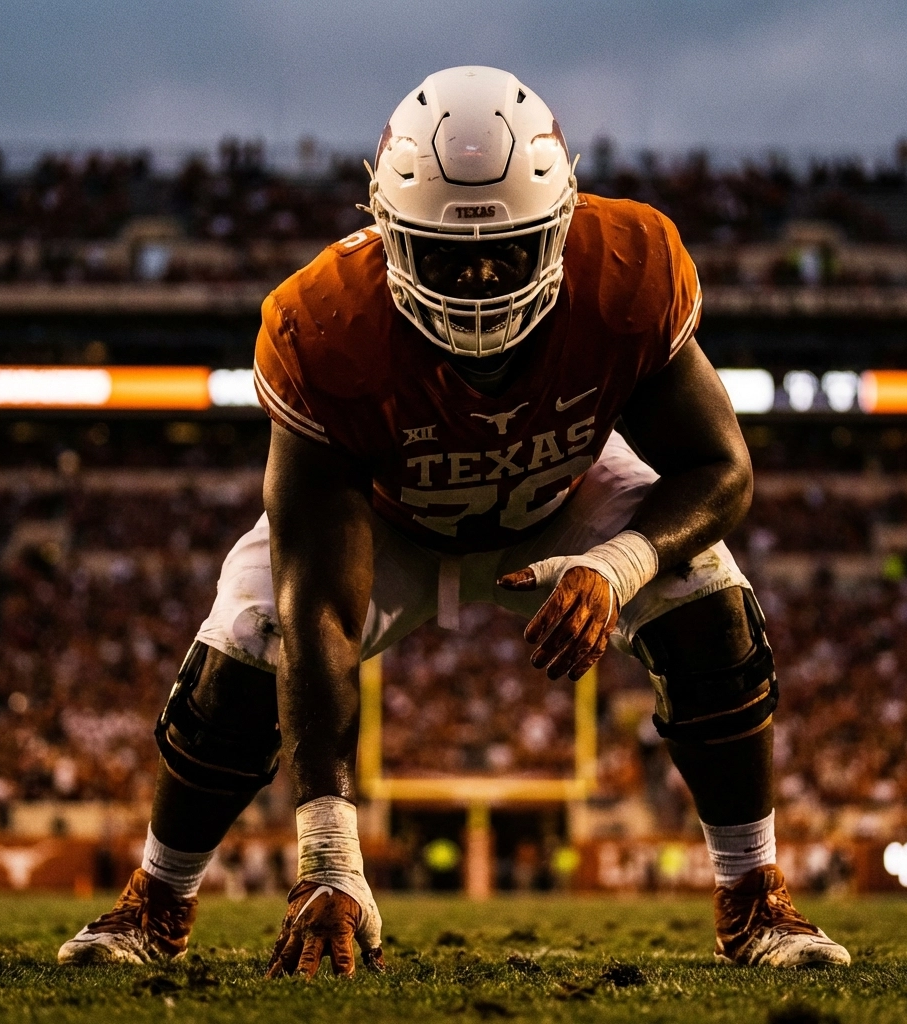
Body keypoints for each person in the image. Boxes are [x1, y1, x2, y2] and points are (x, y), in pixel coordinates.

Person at [58, 66, 849, 974]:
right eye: (445, 254)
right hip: (385, 516)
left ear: (561, 226)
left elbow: (721, 468)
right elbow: (320, 607)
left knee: (707, 593)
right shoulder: (326, 322)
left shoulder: (623, 271)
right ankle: (157, 901)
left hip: (565, 497)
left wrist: (621, 564)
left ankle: (751, 897)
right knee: (251, 638)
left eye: (507, 249)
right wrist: (329, 860)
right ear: (388, 235)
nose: (477, 278)